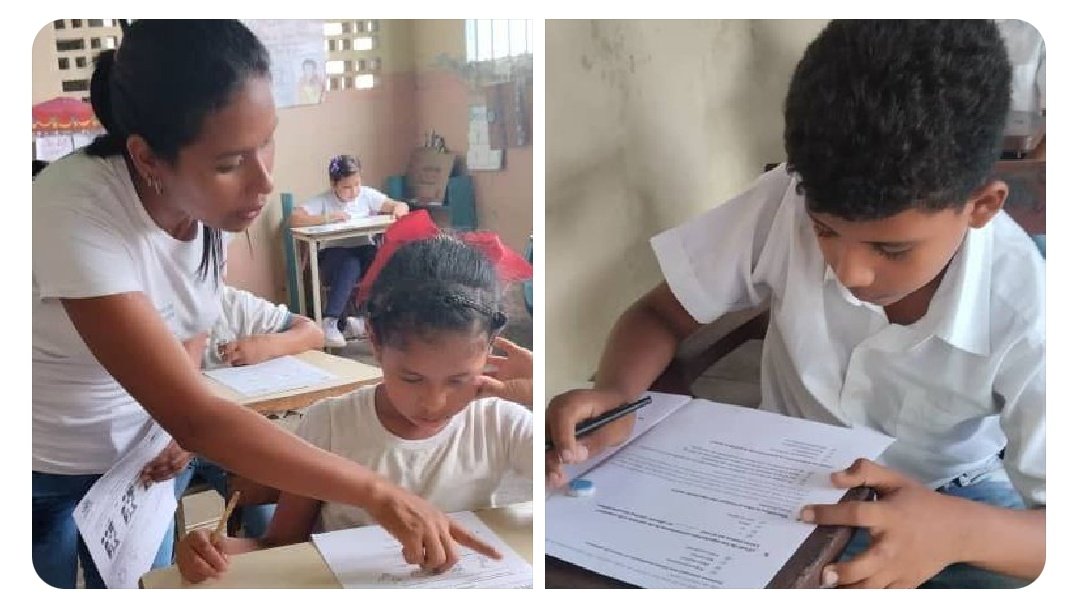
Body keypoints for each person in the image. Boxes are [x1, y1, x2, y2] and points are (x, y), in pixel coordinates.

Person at [546, 20, 1044, 589]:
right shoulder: (784, 200)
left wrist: (962, 532)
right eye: (824, 230)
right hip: (782, 480)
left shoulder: (1031, 313)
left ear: (982, 206)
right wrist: (617, 393)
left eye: (892, 248)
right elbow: (659, 314)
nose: (850, 271)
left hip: (949, 496)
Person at [33, 20, 496, 589]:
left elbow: (190, 322)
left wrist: (175, 419)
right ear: (147, 158)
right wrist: (377, 492)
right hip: (48, 462)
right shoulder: (71, 211)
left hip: (143, 465)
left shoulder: (209, 201)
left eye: (267, 141)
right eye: (230, 162)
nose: (263, 182)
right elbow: (196, 412)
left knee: (141, 584)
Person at [175, 236, 533, 583]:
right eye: (411, 378)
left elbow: (569, 482)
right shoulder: (329, 425)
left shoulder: (501, 422)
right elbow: (279, 545)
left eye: (458, 380)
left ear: (489, 351)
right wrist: (217, 553)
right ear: (374, 342)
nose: (434, 403)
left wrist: (539, 393)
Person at [180, 284, 325, 538]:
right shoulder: (143, 308)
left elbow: (313, 333)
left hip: (232, 443)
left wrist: (265, 344)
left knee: (273, 527)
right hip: (164, 447)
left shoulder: (232, 304)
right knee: (146, 539)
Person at [290, 154, 410, 348]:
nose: (353, 191)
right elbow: (295, 218)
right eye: (346, 187)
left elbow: (399, 205)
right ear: (334, 184)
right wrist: (327, 218)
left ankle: (373, 318)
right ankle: (331, 321)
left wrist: (398, 210)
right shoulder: (324, 201)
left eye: (357, 184)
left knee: (383, 261)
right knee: (350, 264)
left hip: (364, 249)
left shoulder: (366, 195)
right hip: (334, 254)